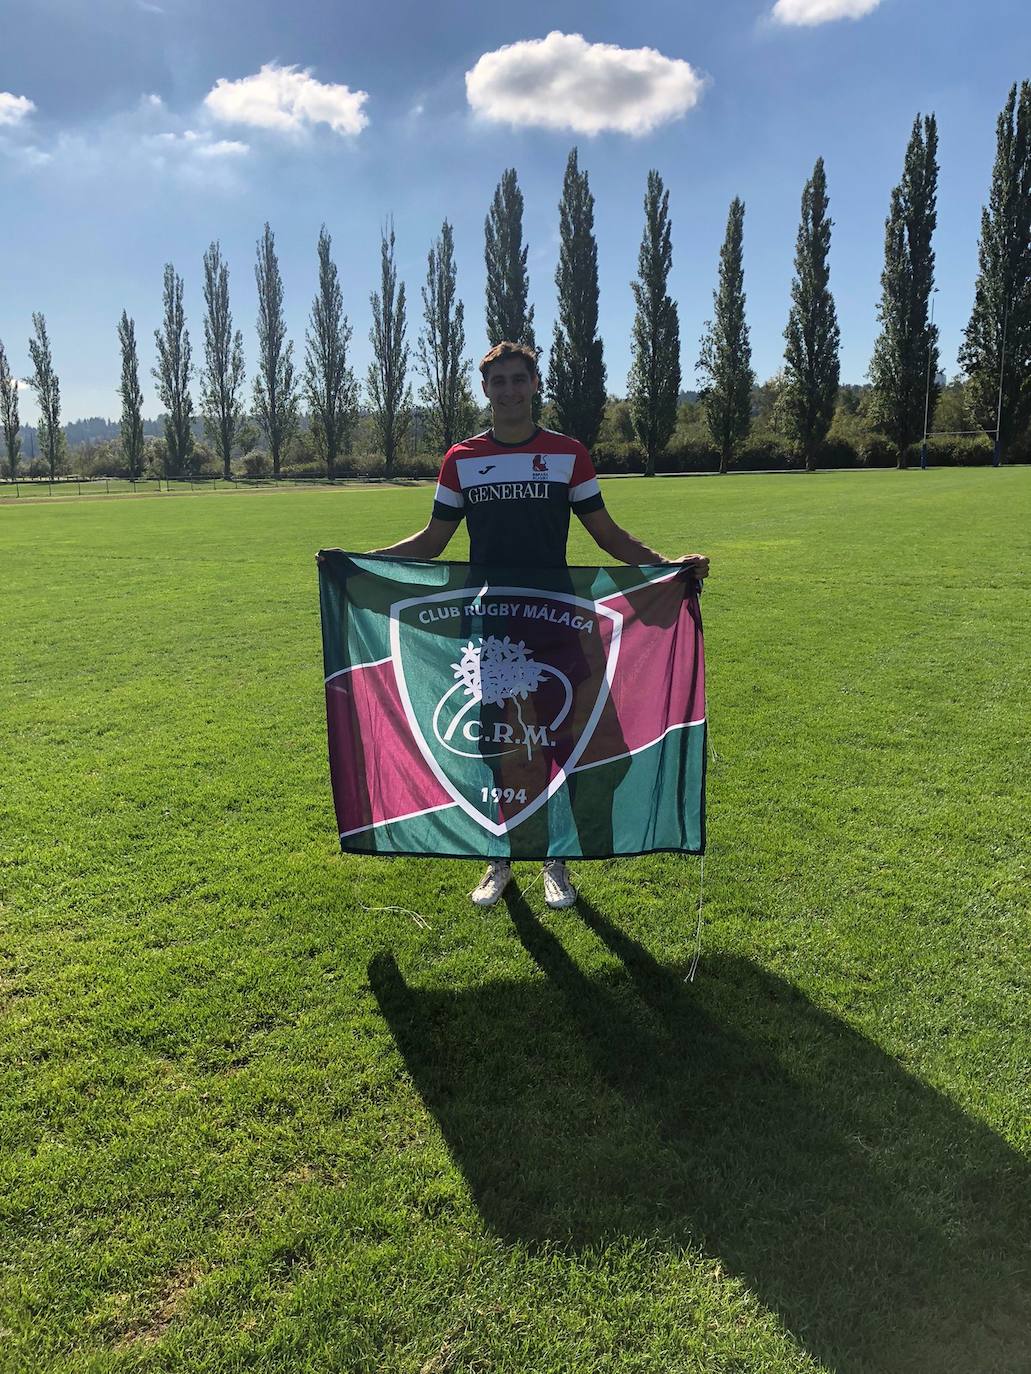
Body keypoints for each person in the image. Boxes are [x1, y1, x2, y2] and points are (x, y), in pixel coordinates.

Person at [368, 340, 710, 910]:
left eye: (517, 380)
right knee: (501, 748)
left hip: (559, 620)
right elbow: (432, 541)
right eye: (497, 382)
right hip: (493, 627)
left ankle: (558, 861)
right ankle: (497, 858)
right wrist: (361, 565)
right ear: (485, 390)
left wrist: (665, 565)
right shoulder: (462, 459)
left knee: (563, 740)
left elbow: (608, 535)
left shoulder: (568, 454)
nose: (508, 390)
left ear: (534, 385)